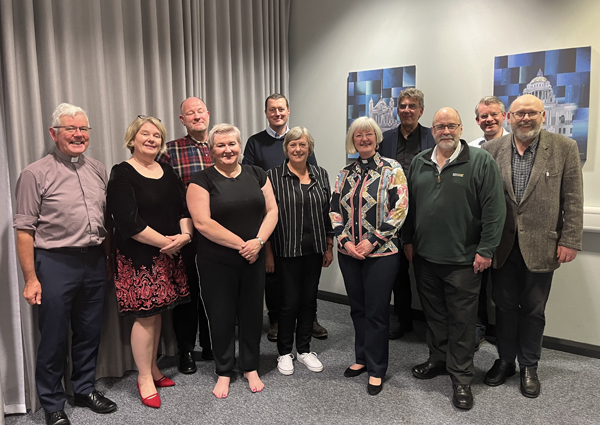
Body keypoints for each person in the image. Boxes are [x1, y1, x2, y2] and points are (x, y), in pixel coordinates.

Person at [14, 103, 117, 425]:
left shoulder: (98, 169)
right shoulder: (35, 173)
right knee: (55, 336)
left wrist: (109, 261)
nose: (78, 134)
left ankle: (84, 389)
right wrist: (31, 278)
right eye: (70, 129)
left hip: (94, 261)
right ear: (53, 134)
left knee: (89, 331)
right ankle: (52, 402)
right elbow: (23, 230)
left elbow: (107, 222)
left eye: (83, 129)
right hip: (55, 262)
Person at [403, 107, 505, 410]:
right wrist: (408, 240)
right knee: (434, 316)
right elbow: (408, 206)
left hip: (464, 261)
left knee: (462, 322)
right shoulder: (420, 161)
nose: (445, 131)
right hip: (425, 257)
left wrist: (486, 250)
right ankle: (438, 359)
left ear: (461, 128)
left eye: (451, 126)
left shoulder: (480, 161)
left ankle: (461, 377)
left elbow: (495, 210)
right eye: (440, 127)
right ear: (432, 130)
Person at [482, 94, 583, 398]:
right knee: (504, 307)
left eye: (531, 113)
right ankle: (505, 361)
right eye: (519, 113)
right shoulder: (491, 150)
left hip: (543, 245)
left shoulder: (564, 148)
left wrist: (570, 240)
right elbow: (484, 201)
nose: (525, 118)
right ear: (508, 117)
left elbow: (573, 198)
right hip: (503, 245)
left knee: (534, 310)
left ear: (543, 115)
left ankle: (529, 365)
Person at [107, 116, 193, 409]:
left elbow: (183, 207)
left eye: (157, 136)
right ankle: (144, 377)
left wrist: (184, 234)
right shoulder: (122, 173)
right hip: (140, 258)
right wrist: (168, 243)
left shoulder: (168, 171)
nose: (151, 139)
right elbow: (128, 222)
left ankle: (154, 369)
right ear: (132, 139)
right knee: (145, 316)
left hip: (169, 253)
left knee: (157, 315)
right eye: (145, 134)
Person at [187, 124, 278, 398]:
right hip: (217, 261)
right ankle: (224, 370)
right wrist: (243, 245)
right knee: (221, 315)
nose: (227, 150)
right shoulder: (201, 179)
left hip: (254, 257)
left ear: (239, 146)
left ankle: (250, 366)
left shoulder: (257, 174)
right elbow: (202, 223)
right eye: (221, 145)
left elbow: (272, 210)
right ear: (212, 150)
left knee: (251, 314)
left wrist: (259, 242)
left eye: (232, 144)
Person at [330, 116, 408, 396]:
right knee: (357, 309)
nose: (364, 139)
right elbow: (334, 209)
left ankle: (376, 368)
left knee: (376, 313)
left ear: (377, 138)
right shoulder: (345, 173)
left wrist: (372, 241)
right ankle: (361, 358)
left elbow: (399, 209)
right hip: (348, 252)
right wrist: (345, 241)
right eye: (358, 135)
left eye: (369, 134)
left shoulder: (392, 169)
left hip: (382, 254)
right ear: (353, 140)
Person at [243, 93, 325, 342]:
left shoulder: (301, 139)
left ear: (288, 111)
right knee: (275, 278)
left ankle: (309, 320)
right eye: (272, 110)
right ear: (266, 113)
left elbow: (315, 184)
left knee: (307, 282)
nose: (277, 113)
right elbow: (249, 178)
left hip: (306, 227)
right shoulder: (255, 142)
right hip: (273, 223)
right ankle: (277, 320)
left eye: (281, 109)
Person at [266, 127, 334, 376]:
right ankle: (285, 352)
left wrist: (329, 246)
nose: (297, 149)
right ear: (286, 149)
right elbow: (267, 217)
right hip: (286, 250)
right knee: (288, 302)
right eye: (292, 144)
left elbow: (329, 213)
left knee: (308, 300)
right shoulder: (273, 176)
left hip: (314, 249)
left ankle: (304, 350)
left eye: (302, 145)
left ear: (309, 148)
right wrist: (268, 253)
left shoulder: (320, 174)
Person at [156, 97, 213, 374]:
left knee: (216, 292)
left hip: (220, 233)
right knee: (189, 293)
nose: (196, 116)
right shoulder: (170, 151)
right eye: (190, 113)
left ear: (208, 114)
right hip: (189, 233)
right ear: (182, 120)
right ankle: (186, 350)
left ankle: (213, 344)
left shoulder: (221, 145)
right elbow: (161, 191)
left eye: (200, 111)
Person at [379, 88, 435, 340]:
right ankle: (403, 320)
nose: (407, 110)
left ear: (421, 111)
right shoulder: (385, 138)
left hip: (424, 212)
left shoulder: (432, 137)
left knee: (427, 271)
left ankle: (435, 325)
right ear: (397, 110)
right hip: (393, 213)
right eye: (402, 106)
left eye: (412, 106)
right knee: (397, 271)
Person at [469, 95, 510, 350]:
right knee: (478, 285)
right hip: (477, 229)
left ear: (504, 116)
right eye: (483, 116)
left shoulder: (515, 145)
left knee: (505, 288)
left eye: (493, 114)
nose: (488, 119)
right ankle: (479, 328)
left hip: (508, 229)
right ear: (477, 121)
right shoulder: (472, 148)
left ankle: (504, 335)